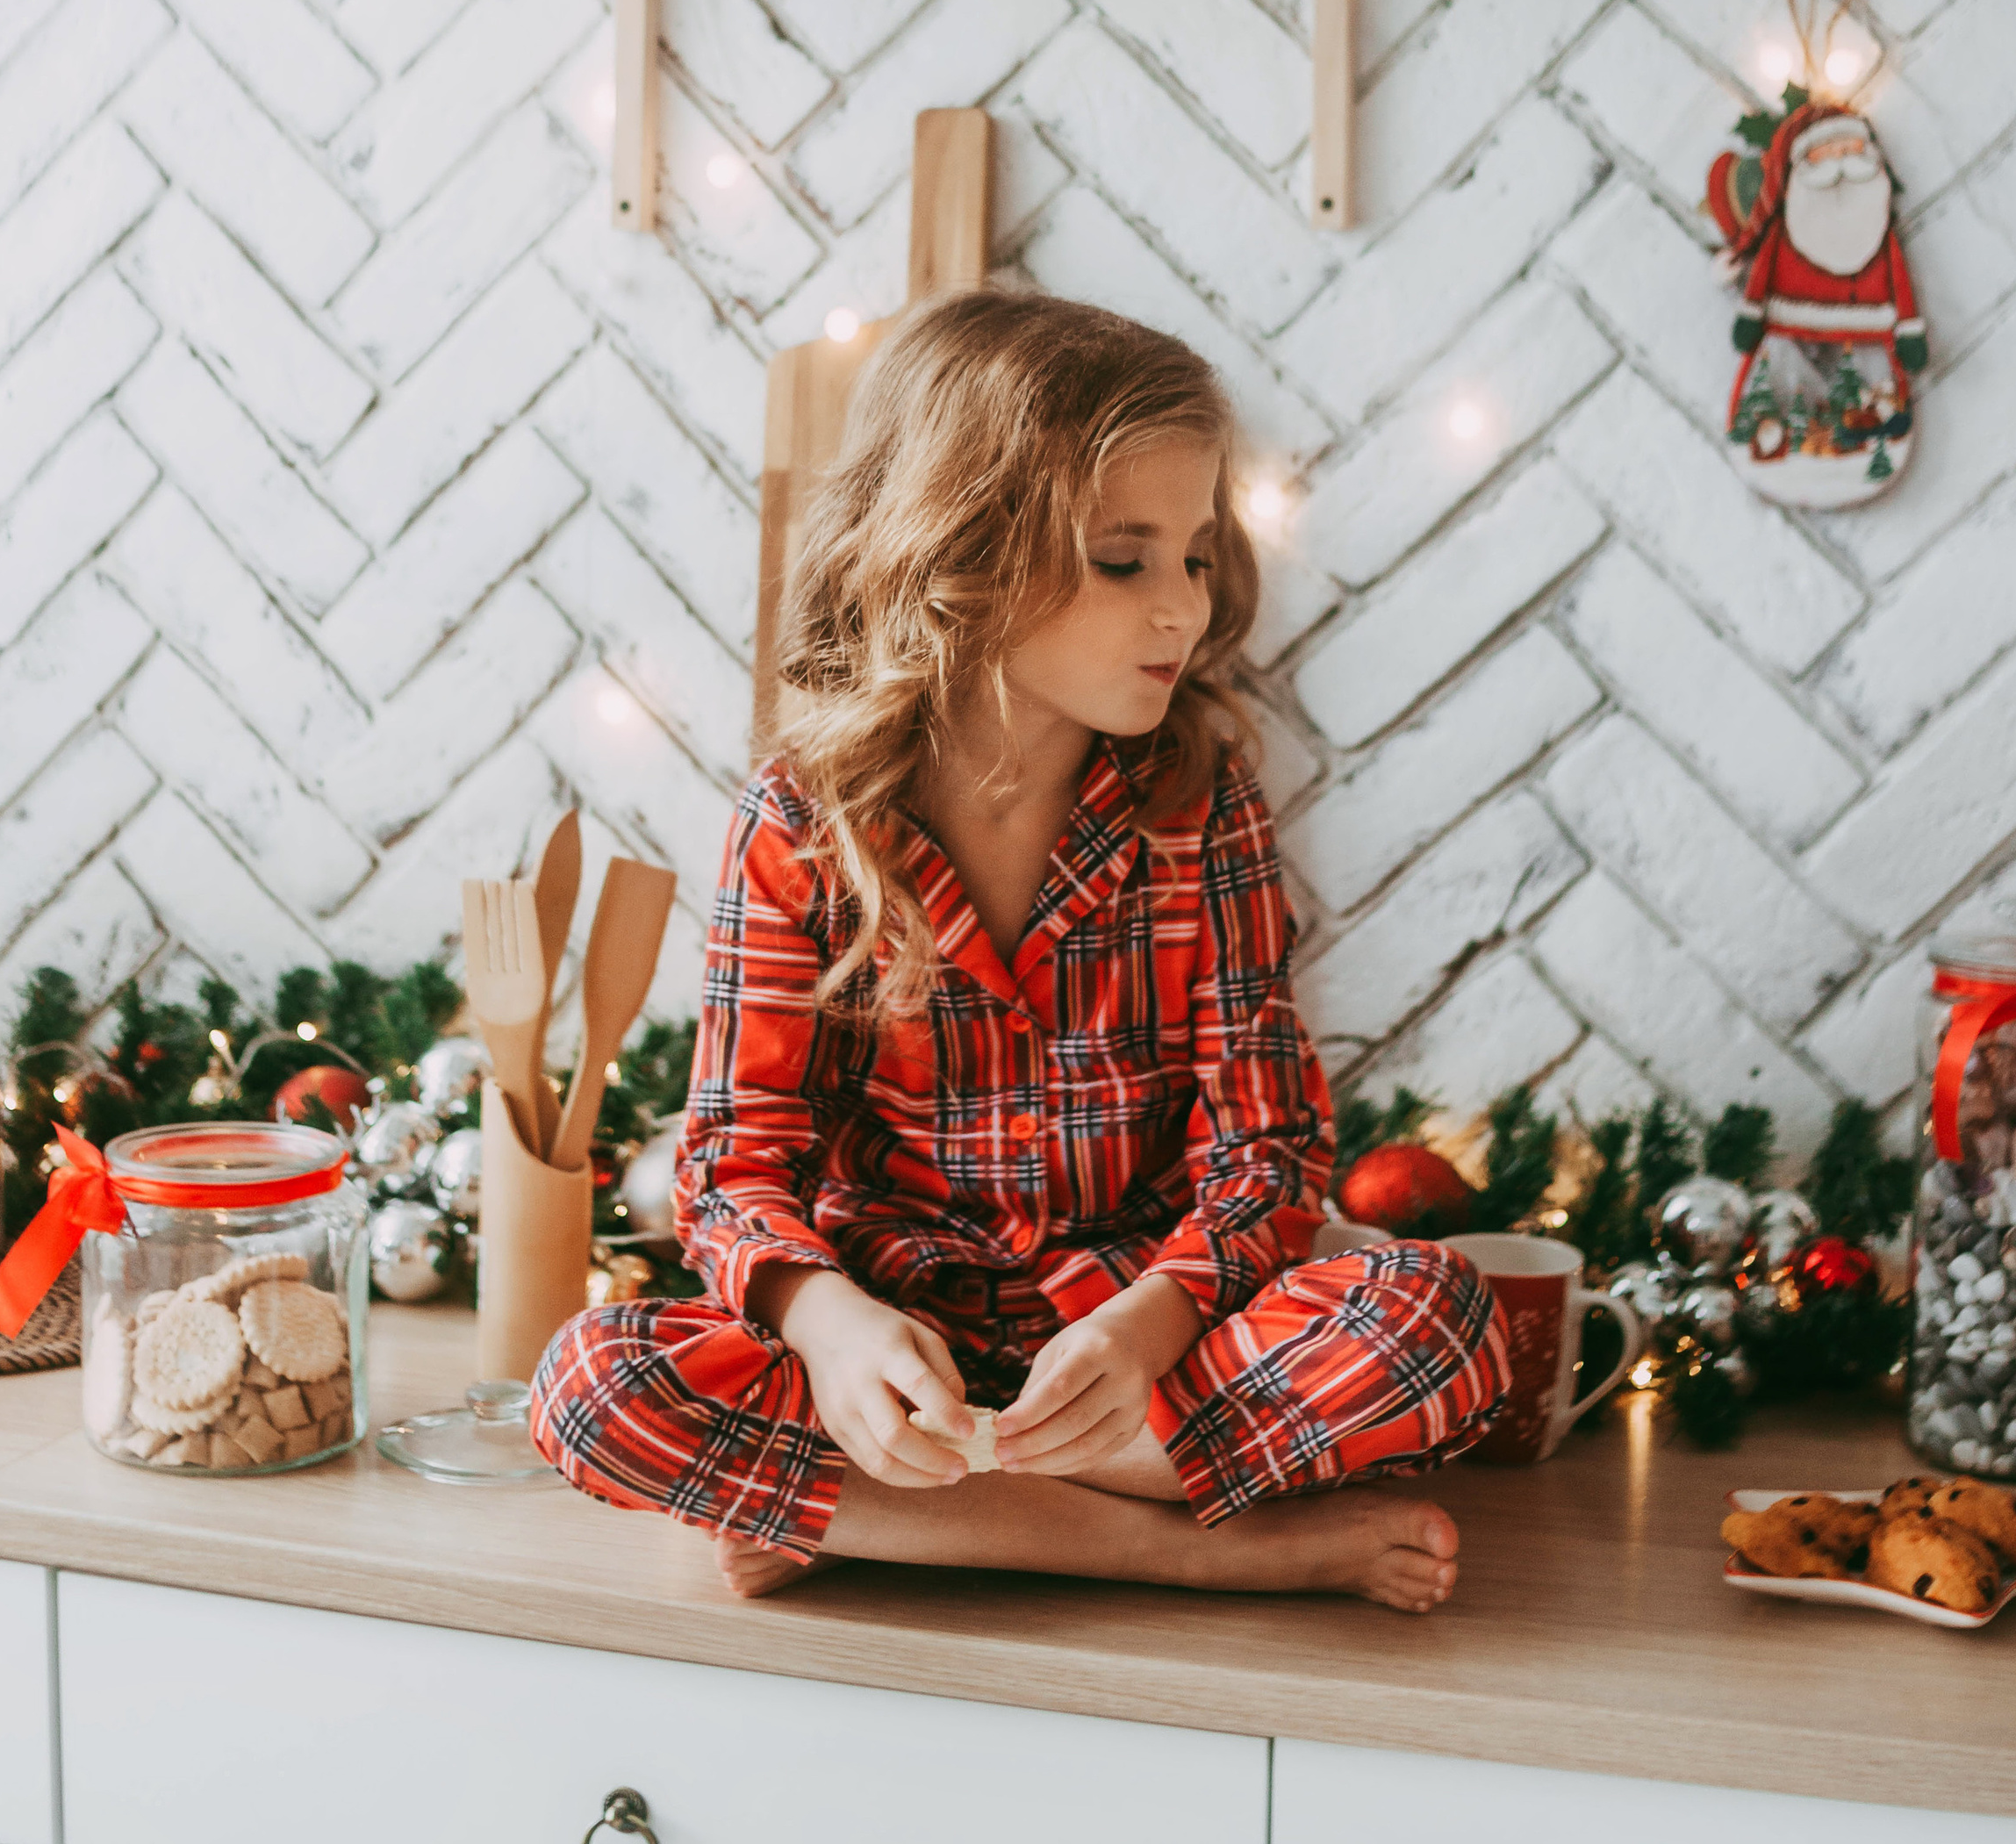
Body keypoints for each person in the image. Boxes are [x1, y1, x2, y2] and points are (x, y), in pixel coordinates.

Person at [532, 291, 1508, 1611]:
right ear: (963, 553)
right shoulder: (803, 823)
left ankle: (875, 1520)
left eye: (1198, 557)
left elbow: (1266, 1155)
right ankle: (1190, 1552)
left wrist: (1148, 1321)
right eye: (1126, 559)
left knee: (1438, 1319)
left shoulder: (1199, 808)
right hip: (891, 1360)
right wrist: (826, 1327)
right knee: (594, 1387)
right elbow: (732, 1158)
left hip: (1143, 1357)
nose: (1184, 609)